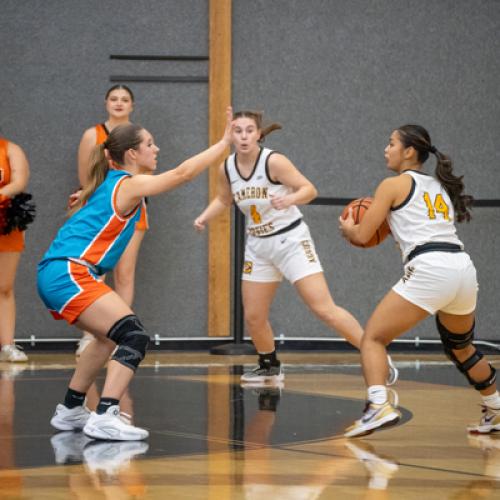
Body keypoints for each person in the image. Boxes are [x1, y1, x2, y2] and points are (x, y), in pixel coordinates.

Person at [38, 107, 234, 440]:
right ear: (132, 153)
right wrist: (223, 143)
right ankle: (106, 413)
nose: (156, 150)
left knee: (105, 338)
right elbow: (183, 174)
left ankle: (71, 409)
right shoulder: (128, 184)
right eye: (151, 144)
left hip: (59, 272)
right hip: (69, 272)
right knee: (134, 336)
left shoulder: (112, 183)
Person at [194, 110, 398, 385]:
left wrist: (289, 201)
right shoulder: (226, 168)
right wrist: (204, 217)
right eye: (238, 130)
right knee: (254, 317)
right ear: (230, 134)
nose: (243, 136)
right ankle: (269, 366)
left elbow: (308, 189)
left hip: (291, 241)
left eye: (249, 130)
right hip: (258, 245)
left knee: (324, 308)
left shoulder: (273, 161)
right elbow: (223, 198)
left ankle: (378, 358)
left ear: (258, 134)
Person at [339, 124, 499, 437]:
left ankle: (378, 406)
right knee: (461, 348)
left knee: (372, 338)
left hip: (430, 267)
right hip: (463, 268)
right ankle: (495, 406)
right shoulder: (439, 186)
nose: (386, 149)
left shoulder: (392, 185)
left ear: (409, 151)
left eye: (391, 143)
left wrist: (348, 229)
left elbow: (362, 235)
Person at [76, 84, 147, 353]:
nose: (119, 103)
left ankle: (120, 333)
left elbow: (148, 173)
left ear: (132, 105)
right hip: (100, 211)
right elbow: (86, 178)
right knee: (94, 271)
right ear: (106, 103)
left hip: (132, 209)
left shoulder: (140, 136)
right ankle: (91, 334)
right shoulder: (91, 135)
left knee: (125, 274)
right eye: (114, 99)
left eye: (125, 99)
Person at [0, 137, 30, 363]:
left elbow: (19, 182)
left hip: (5, 223)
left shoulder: (10, 148)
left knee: (4, 286)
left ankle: (7, 345)